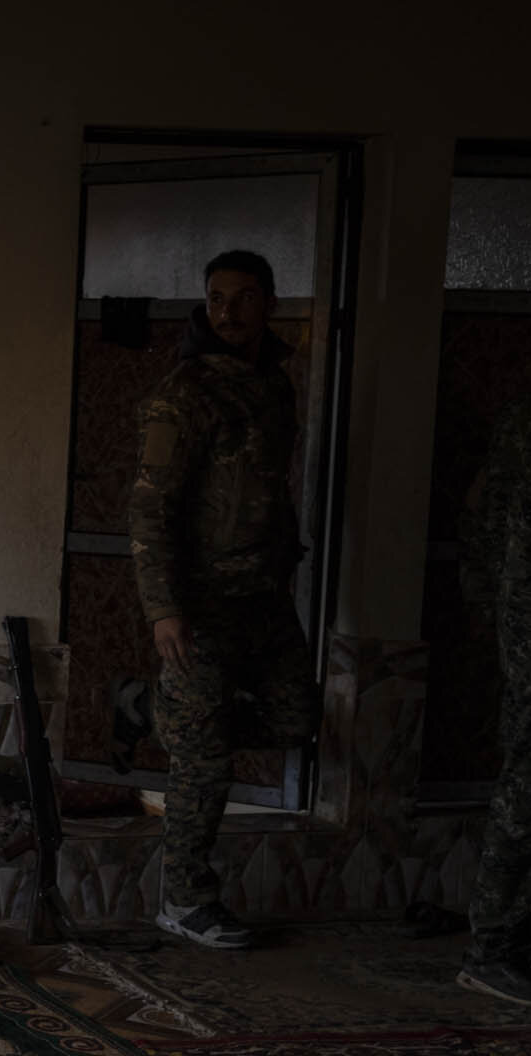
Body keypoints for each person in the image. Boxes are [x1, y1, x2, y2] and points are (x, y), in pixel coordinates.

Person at [127, 250, 320, 950]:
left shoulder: (274, 384)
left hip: (263, 600)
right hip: (200, 603)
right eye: (216, 297)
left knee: (297, 715)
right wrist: (163, 607)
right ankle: (186, 899)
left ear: (269, 302)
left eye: (243, 297)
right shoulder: (185, 393)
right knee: (204, 757)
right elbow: (150, 508)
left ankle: (152, 708)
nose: (229, 310)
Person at [457, 388, 531, 1005]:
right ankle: (493, 947)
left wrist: (485, 600)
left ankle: (509, 938)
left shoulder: (526, 407)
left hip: (522, 617)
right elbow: (487, 509)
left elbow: (482, 511)